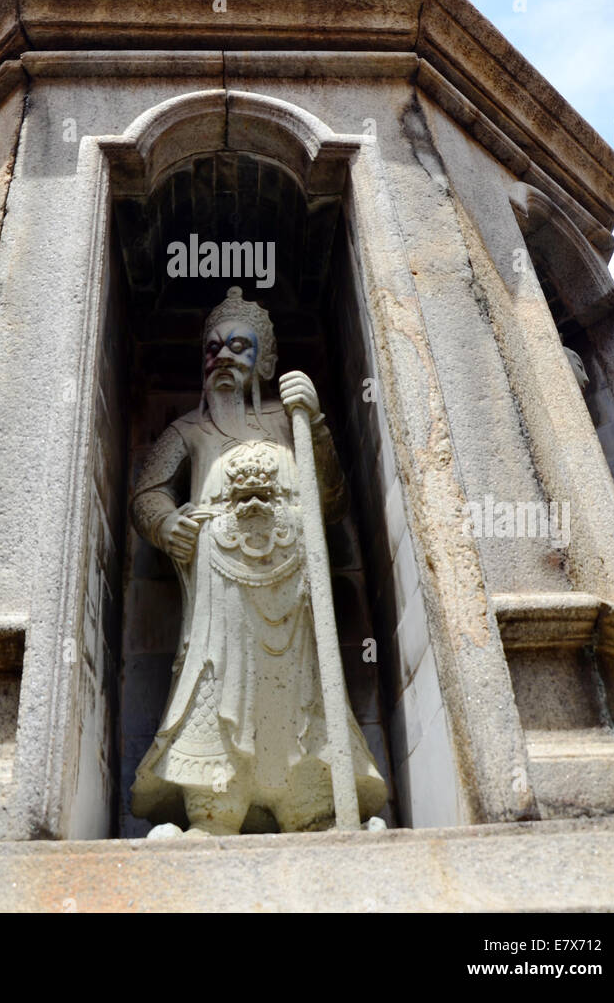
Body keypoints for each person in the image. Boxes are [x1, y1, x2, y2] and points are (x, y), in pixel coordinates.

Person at [131, 287, 387, 835]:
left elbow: (333, 500)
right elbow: (148, 493)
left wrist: (315, 425)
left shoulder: (289, 421)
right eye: (213, 347)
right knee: (214, 680)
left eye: (238, 346)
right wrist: (167, 522)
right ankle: (212, 807)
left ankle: (313, 805)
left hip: (293, 586)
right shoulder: (188, 431)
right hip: (219, 586)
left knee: (304, 690)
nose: (222, 357)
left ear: (265, 360)